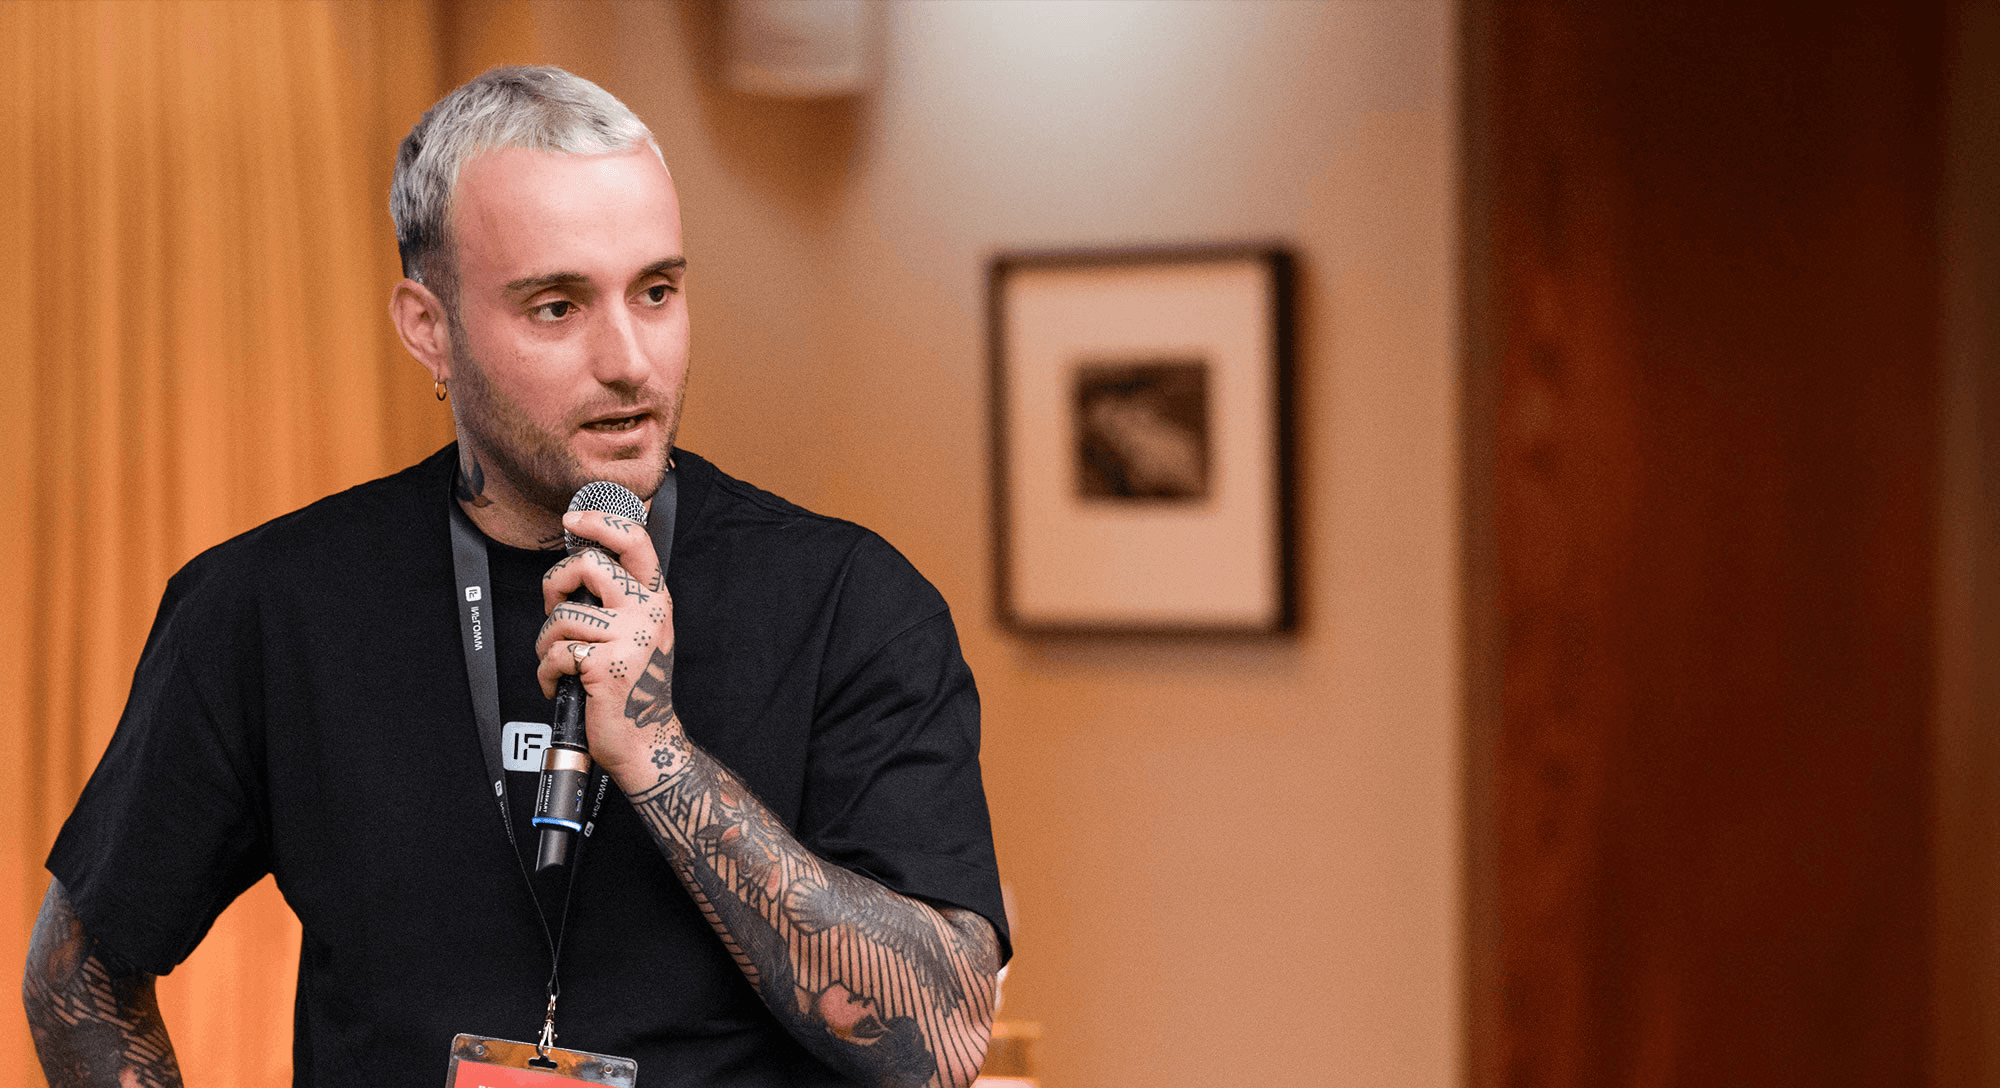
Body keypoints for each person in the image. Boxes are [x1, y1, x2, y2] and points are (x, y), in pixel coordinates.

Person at [22, 65, 1007, 1088]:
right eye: (556, 306)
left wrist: (660, 757)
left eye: (656, 292)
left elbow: (937, 1043)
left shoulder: (850, 601)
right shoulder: (270, 605)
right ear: (429, 327)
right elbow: (75, 979)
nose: (629, 360)